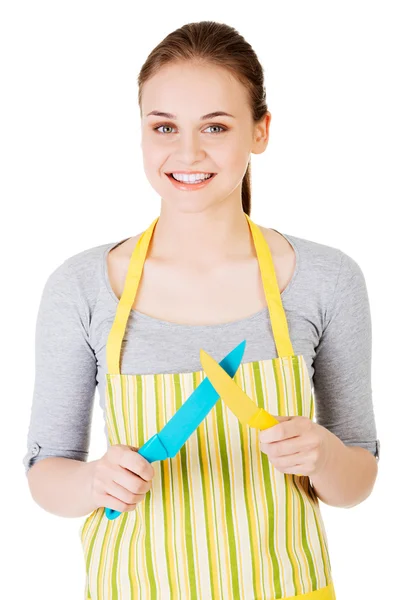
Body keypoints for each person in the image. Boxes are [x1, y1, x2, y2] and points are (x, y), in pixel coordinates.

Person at [24, 20, 379, 600]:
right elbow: (46, 473)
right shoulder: (81, 287)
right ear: (141, 133)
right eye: (164, 126)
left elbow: (357, 479)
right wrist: (93, 480)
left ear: (261, 132)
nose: (187, 152)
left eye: (216, 126)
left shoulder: (326, 279)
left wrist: (323, 456)